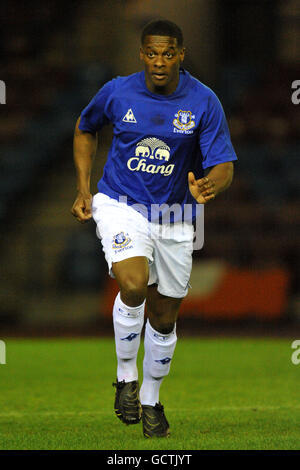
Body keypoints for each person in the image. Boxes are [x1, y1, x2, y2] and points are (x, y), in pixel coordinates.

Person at [71, 19, 237, 438]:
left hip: (176, 216)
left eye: (168, 53)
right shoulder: (117, 91)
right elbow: (85, 127)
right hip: (121, 203)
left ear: (181, 54)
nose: (159, 61)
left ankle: (150, 399)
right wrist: (83, 188)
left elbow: (224, 165)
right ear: (141, 54)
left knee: (164, 318)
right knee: (132, 283)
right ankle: (125, 378)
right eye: (152, 53)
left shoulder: (204, 100)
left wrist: (209, 185)